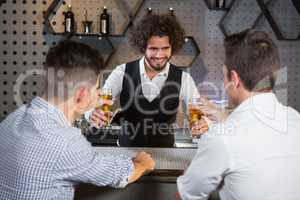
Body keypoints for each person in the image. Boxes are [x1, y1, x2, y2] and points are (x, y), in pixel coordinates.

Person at [0, 41, 155, 199]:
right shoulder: (67, 143)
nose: (98, 93)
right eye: (95, 89)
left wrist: (89, 102)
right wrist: (141, 163)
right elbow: (119, 174)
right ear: (81, 94)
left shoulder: (12, 120)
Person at [176, 29, 300, 200]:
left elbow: (185, 196)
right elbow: (255, 129)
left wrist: (192, 172)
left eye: (224, 75)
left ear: (234, 79)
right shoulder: (294, 119)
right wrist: (220, 115)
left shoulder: (221, 138)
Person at [89, 13, 210, 147]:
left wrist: (202, 122)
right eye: (153, 49)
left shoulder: (184, 79)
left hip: (166, 157)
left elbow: (198, 111)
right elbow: (98, 103)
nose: (159, 55)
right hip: (128, 155)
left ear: (173, 47)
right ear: (143, 47)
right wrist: (93, 113)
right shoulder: (121, 72)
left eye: (165, 48)